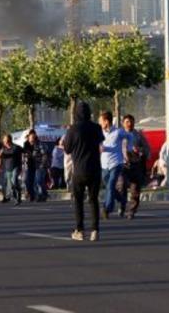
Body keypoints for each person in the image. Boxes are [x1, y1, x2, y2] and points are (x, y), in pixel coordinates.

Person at [62, 102, 105, 241]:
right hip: (95, 168)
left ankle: (79, 230)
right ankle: (95, 230)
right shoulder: (96, 127)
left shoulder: (73, 129)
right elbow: (100, 142)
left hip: (79, 169)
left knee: (78, 201)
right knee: (93, 200)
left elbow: (67, 149)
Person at [99, 110, 129, 218]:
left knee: (111, 185)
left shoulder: (118, 132)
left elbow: (129, 137)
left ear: (106, 121)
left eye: (101, 121)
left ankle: (107, 209)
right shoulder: (100, 133)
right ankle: (122, 200)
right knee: (109, 187)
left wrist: (128, 149)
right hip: (104, 164)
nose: (100, 123)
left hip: (116, 162)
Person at [121, 115, 149, 219]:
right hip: (123, 164)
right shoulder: (119, 135)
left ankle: (132, 210)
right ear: (123, 123)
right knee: (121, 185)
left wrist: (139, 150)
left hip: (136, 163)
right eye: (127, 122)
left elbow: (147, 148)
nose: (130, 124)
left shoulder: (138, 135)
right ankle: (122, 204)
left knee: (135, 189)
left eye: (131, 122)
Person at [0, 134, 22, 204]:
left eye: (6, 140)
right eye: (4, 140)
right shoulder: (3, 149)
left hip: (15, 167)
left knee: (14, 181)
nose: (5, 142)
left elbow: (23, 152)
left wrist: (21, 167)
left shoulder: (16, 147)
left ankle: (17, 197)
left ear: (9, 140)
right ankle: (16, 196)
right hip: (7, 168)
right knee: (11, 185)